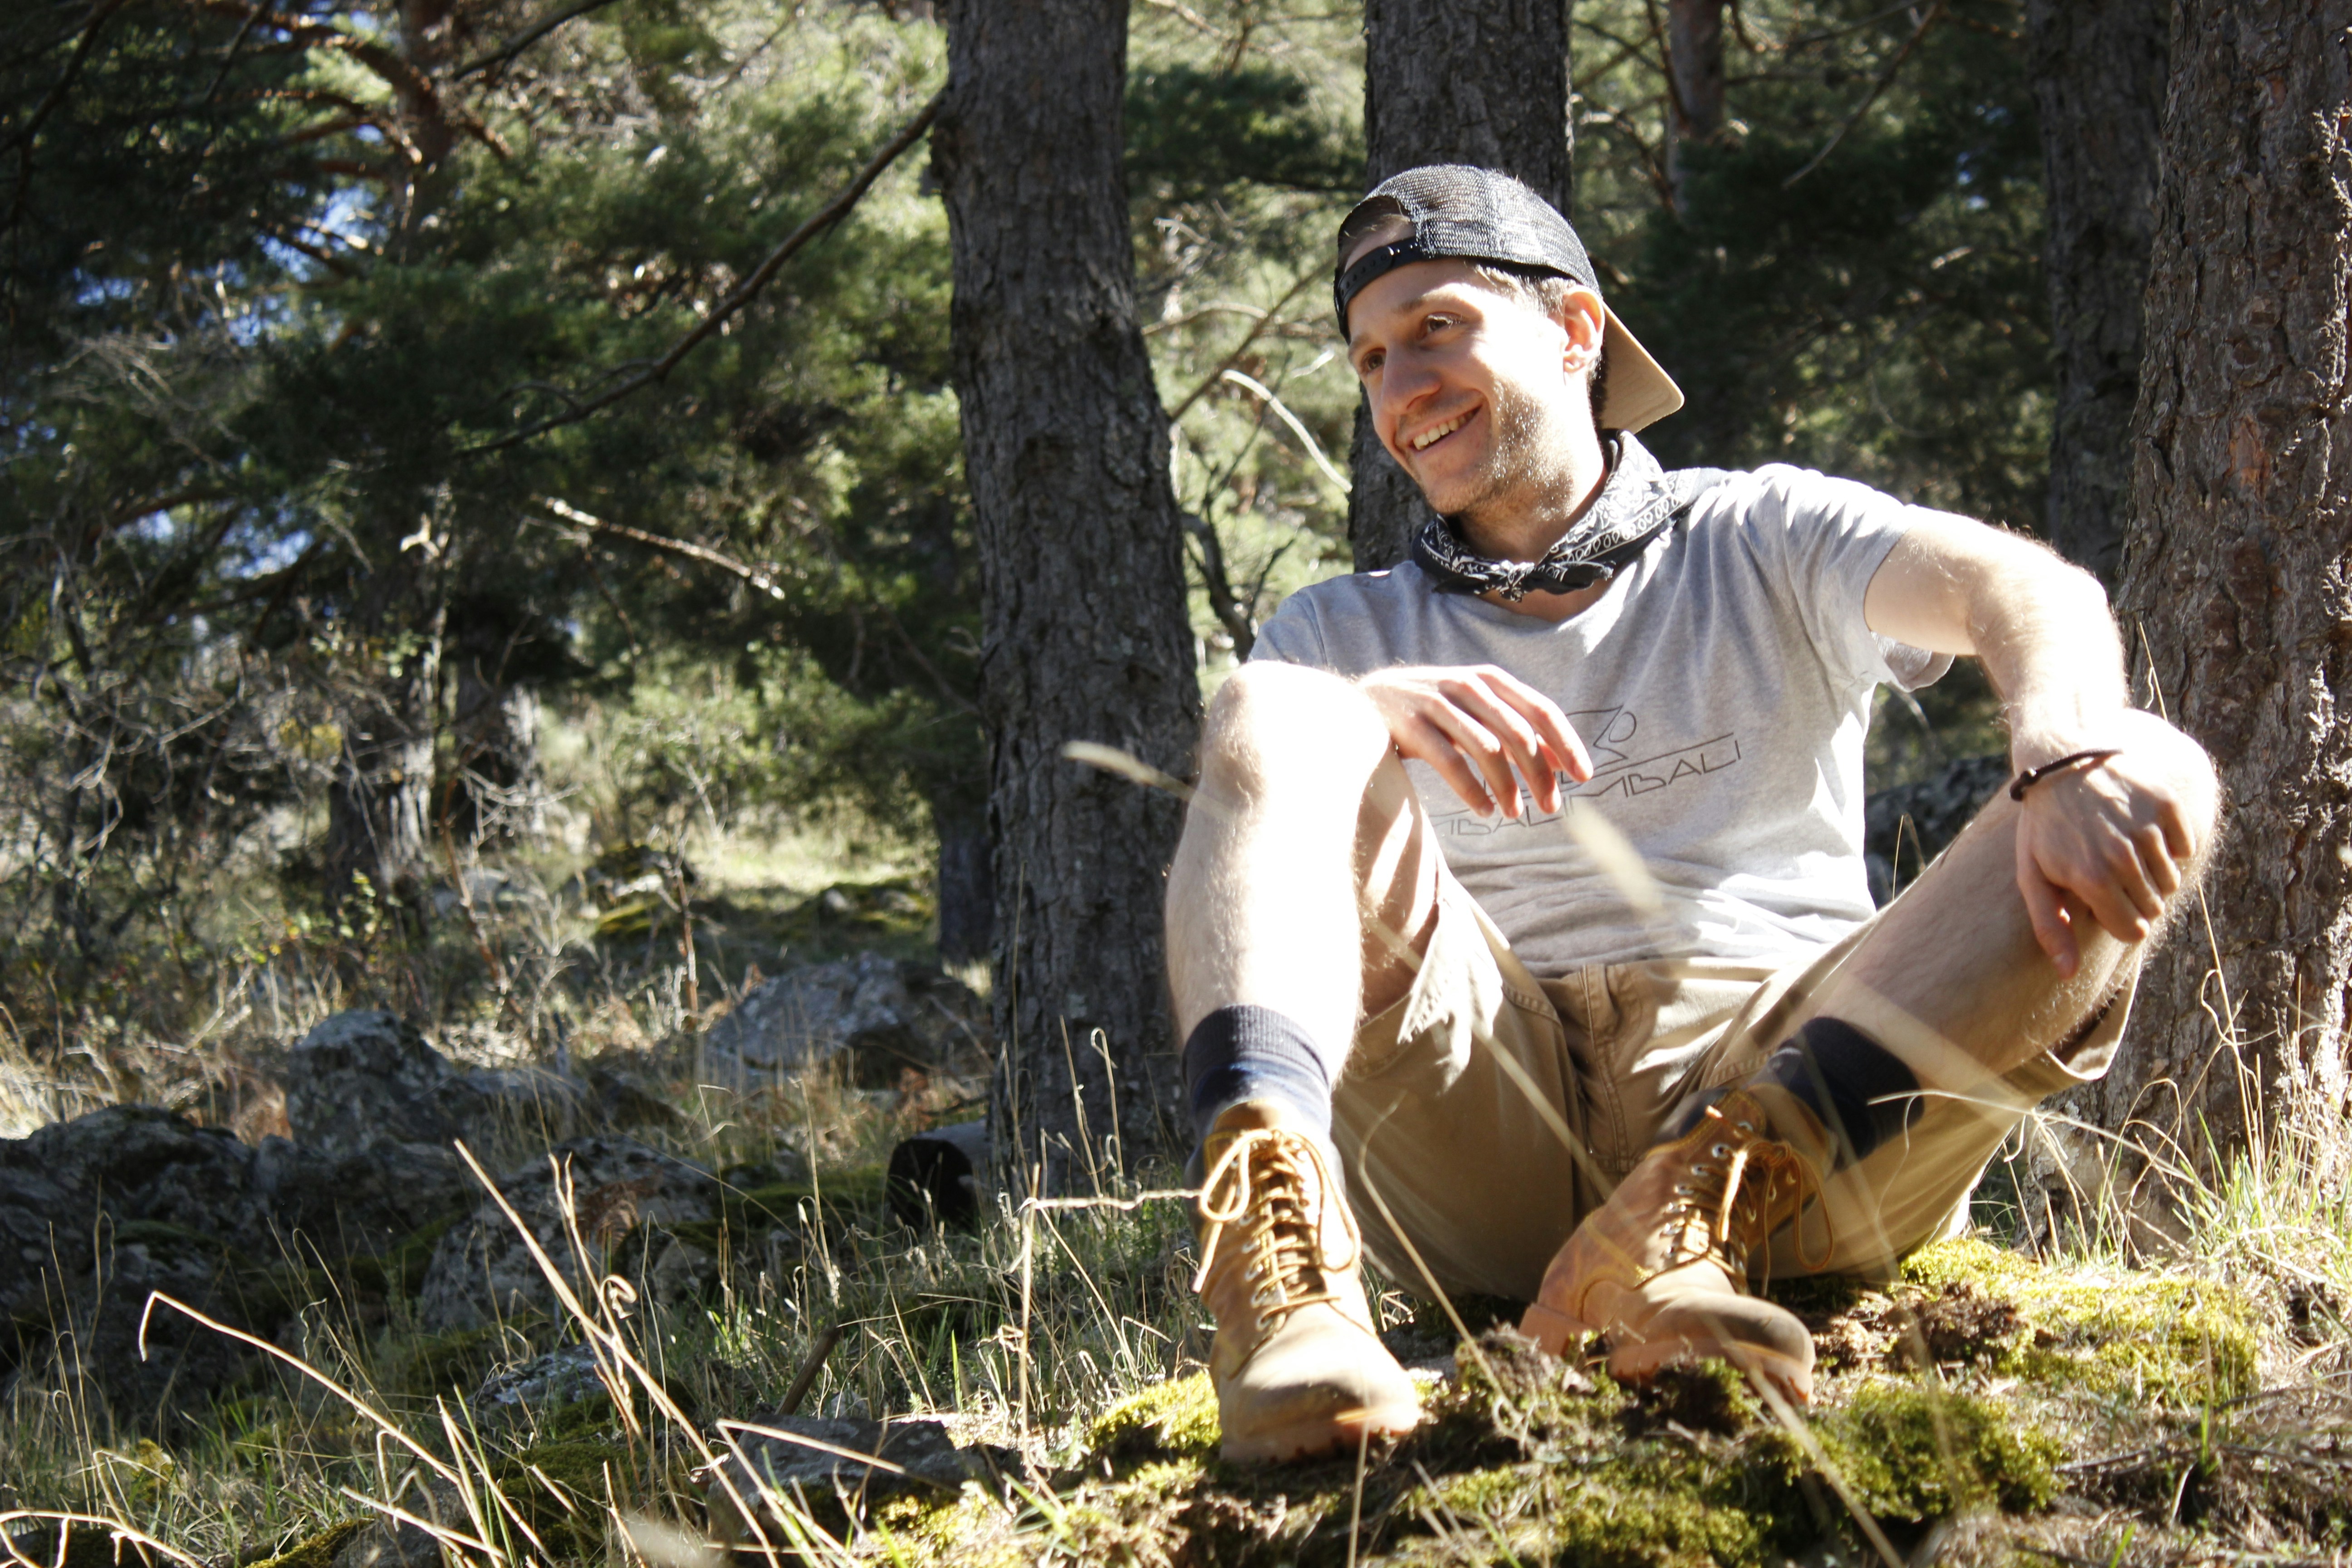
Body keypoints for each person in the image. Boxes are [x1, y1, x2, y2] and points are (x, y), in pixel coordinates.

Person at [1166, 165, 2219, 1465]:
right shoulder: (1341, 627)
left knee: (2149, 771)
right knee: (1269, 713)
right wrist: (1364, 709)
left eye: (1437, 326)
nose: (1400, 388)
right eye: (1371, 358)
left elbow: (2020, 587)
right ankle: (1277, 1274)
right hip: (1487, 1110)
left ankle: (1680, 1225)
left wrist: (2061, 747)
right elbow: (1269, 779)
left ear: (1573, 330)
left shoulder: (1762, 529)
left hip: (1803, 1110)